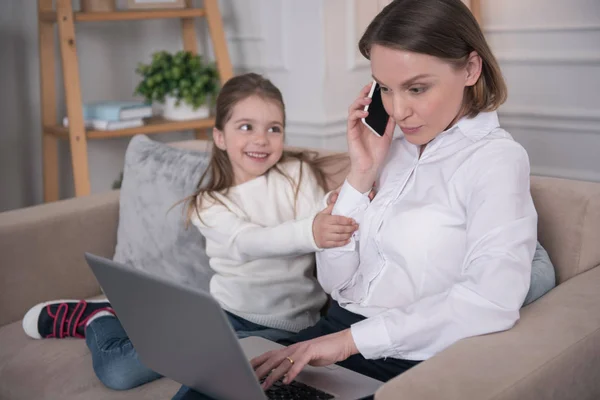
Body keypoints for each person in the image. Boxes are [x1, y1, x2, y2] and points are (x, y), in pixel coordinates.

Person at [175, 1, 539, 397]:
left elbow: (490, 300)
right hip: (334, 332)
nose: (398, 111)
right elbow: (338, 284)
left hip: (405, 357)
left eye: (417, 88)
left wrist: (350, 342)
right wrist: (360, 176)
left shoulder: (496, 161)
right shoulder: (390, 151)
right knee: (204, 389)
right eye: (385, 88)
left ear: (471, 68)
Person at [21, 73, 357, 391]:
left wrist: (336, 203)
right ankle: (99, 319)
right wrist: (311, 231)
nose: (261, 139)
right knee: (119, 372)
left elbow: (321, 212)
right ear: (220, 137)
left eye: (274, 128)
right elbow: (248, 242)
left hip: (295, 327)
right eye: (246, 127)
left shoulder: (296, 174)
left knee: (254, 371)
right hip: (229, 318)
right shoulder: (209, 204)